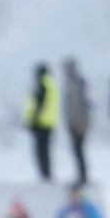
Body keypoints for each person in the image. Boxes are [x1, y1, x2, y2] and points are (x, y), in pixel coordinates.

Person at [22, 62, 59, 182]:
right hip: (49, 122)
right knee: (46, 151)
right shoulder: (51, 85)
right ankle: (46, 174)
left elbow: (39, 105)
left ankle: (45, 175)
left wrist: (33, 119)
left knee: (41, 151)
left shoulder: (42, 85)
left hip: (41, 123)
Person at [62, 57, 92, 185]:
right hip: (74, 122)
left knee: (79, 149)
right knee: (76, 150)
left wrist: (81, 123)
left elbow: (83, 105)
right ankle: (80, 174)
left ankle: (83, 175)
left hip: (79, 123)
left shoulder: (78, 83)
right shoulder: (70, 83)